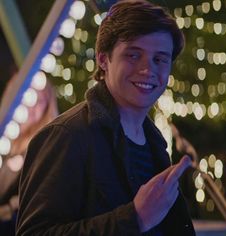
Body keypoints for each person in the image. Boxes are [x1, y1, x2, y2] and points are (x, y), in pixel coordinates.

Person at [16, 0, 196, 235]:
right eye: (133, 55)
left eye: (160, 59)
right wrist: (135, 218)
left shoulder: (156, 144)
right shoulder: (67, 136)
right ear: (103, 59)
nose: (148, 69)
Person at [0, 79, 58, 235]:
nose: (31, 106)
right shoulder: (6, 142)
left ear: (47, 107)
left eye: (40, 101)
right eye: (27, 97)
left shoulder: (43, 149)